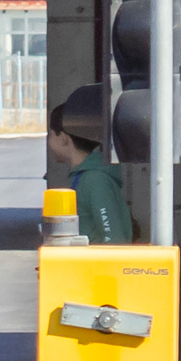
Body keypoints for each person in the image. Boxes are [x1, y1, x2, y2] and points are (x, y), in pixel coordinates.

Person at [49, 84, 136, 245]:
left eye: (50, 135)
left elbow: (114, 240)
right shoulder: (86, 177)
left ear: (62, 138)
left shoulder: (94, 180)